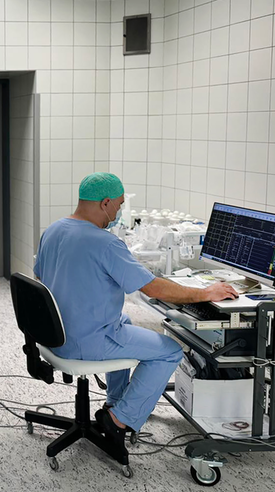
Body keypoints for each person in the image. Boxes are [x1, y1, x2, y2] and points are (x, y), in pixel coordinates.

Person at [34, 172, 238, 457]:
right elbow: (152, 288)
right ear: (105, 203)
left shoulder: (54, 230)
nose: (119, 211)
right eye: (119, 205)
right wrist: (205, 293)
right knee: (169, 351)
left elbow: (43, 278)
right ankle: (119, 420)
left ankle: (115, 402)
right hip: (85, 341)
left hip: (54, 333)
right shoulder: (105, 243)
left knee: (125, 320)